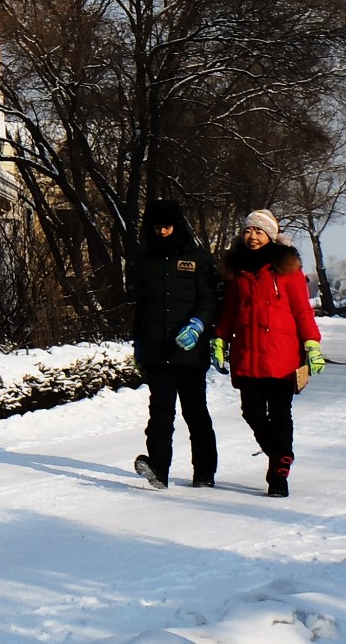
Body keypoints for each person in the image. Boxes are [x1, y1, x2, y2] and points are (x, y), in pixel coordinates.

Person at [214, 209, 324, 497]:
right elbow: (230, 310)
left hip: (281, 354)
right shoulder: (237, 270)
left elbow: (302, 310)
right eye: (248, 231)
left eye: (259, 232)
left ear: (270, 236)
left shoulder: (287, 269)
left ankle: (279, 475)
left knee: (279, 413)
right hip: (247, 354)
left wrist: (312, 344)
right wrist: (220, 339)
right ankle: (279, 452)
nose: (252, 237)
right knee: (251, 412)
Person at [131, 196, 219, 490]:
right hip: (157, 349)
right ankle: (158, 468)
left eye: (167, 227)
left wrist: (198, 325)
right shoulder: (144, 260)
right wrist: (139, 344)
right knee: (160, 413)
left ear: (177, 226)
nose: (162, 233)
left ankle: (204, 472)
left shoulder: (198, 259)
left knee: (195, 413)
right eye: (157, 228)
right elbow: (141, 305)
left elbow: (208, 299)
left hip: (189, 352)